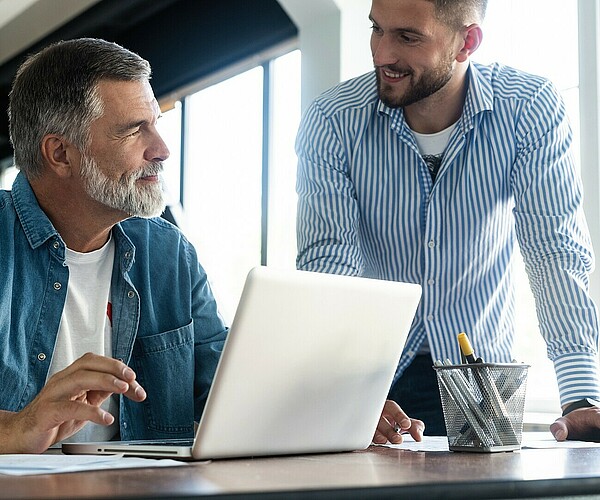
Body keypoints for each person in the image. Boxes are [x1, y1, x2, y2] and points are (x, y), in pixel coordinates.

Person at [295, 0, 600, 443]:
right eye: (376, 29)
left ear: (467, 41)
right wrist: (344, 389)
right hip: (372, 379)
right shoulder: (333, 120)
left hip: (483, 383)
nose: (381, 53)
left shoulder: (528, 108)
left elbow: (554, 250)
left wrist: (580, 396)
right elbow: (331, 262)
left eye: (407, 37)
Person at [0, 38, 228, 454]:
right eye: (133, 131)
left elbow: (225, 388)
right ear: (61, 153)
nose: (161, 149)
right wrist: (18, 429)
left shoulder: (169, 254)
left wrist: (322, 410)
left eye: (155, 124)